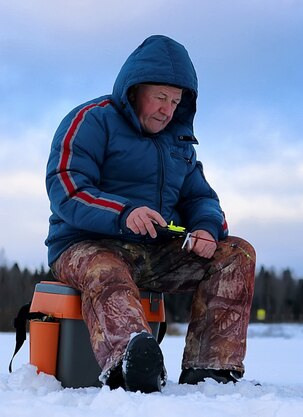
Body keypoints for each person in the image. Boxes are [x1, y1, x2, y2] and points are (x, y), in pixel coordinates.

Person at [45, 35, 256, 393]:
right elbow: (66, 186)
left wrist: (206, 229)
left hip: (156, 250)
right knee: (104, 268)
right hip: (85, 244)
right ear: (134, 90)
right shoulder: (91, 121)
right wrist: (123, 213)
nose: (167, 110)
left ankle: (211, 371)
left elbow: (202, 198)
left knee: (235, 254)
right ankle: (130, 362)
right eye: (160, 97)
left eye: (175, 101)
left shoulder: (179, 143)